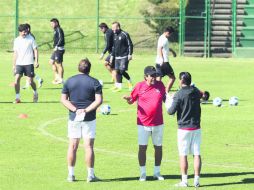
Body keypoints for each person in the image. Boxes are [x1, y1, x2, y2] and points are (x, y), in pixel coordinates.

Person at [61, 58, 103, 183]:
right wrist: (86, 110)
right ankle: (90, 175)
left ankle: (71, 175)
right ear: (89, 69)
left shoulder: (69, 81)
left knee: (72, 146)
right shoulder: (95, 82)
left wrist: (75, 110)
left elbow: (63, 99)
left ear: (78, 67)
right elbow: (98, 100)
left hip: (74, 118)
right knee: (88, 147)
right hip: (89, 118)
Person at [123, 66, 166, 181]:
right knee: (142, 147)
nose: (154, 77)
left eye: (155, 75)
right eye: (151, 75)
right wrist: (128, 100)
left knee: (158, 147)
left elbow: (166, 99)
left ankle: (157, 172)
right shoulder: (139, 86)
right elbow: (132, 100)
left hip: (158, 122)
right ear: (145, 77)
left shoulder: (160, 85)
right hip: (143, 123)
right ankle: (143, 173)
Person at [167, 72, 202, 187]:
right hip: (196, 127)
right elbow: (202, 94)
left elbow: (170, 111)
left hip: (184, 128)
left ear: (181, 81)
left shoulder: (179, 94)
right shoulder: (195, 92)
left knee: (183, 154)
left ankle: (184, 181)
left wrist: (171, 99)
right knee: (197, 154)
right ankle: (197, 179)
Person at [13, 24, 39, 103]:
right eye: (23, 32)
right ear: (19, 32)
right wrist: (13, 65)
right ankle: (17, 98)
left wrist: (36, 61)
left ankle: (35, 92)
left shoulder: (31, 39)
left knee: (30, 82)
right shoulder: (16, 40)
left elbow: (35, 50)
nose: (25, 33)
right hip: (19, 63)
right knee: (16, 79)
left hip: (29, 63)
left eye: (26, 32)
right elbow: (15, 53)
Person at [110, 21, 133, 92]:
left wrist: (130, 54)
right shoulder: (114, 35)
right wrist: (112, 56)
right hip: (117, 57)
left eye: (114, 28)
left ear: (118, 27)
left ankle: (129, 81)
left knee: (122, 70)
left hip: (124, 56)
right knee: (117, 71)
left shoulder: (124, 34)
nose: (112, 29)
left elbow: (130, 44)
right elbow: (114, 47)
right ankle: (119, 87)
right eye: (112, 28)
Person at [22, 23, 43, 89]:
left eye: (25, 29)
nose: (23, 30)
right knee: (26, 71)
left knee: (27, 71)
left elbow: (34, 48)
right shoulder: (27, 35)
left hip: (30, 56)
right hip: (26, 55)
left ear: (28, 29)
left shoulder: (30, 36)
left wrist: (36, 60)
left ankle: (37, 80)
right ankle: (29, 83)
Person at [155, 27, 176, 93]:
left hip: (157, 62)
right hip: (164, 62)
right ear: (167, 33)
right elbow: (159, 49)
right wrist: (162, 59)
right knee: (172, 78)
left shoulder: (161, 37)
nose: (170, 36)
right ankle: (166, 92)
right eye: (170, 34)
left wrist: (172, 51)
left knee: (159, 77)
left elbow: (164, 48)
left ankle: (157, 91)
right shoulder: (164, 39)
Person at [49, 18, 65, 84]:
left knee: (59, 64)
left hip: (59, 49)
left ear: (56, 23)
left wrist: (57, 46)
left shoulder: (59, 29)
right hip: (56, 49)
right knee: (51, 62)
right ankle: (57, 77)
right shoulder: (55, 30)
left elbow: (61, 38)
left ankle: (60, 79)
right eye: (51, 24)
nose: (51, 25)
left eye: (52, 23)